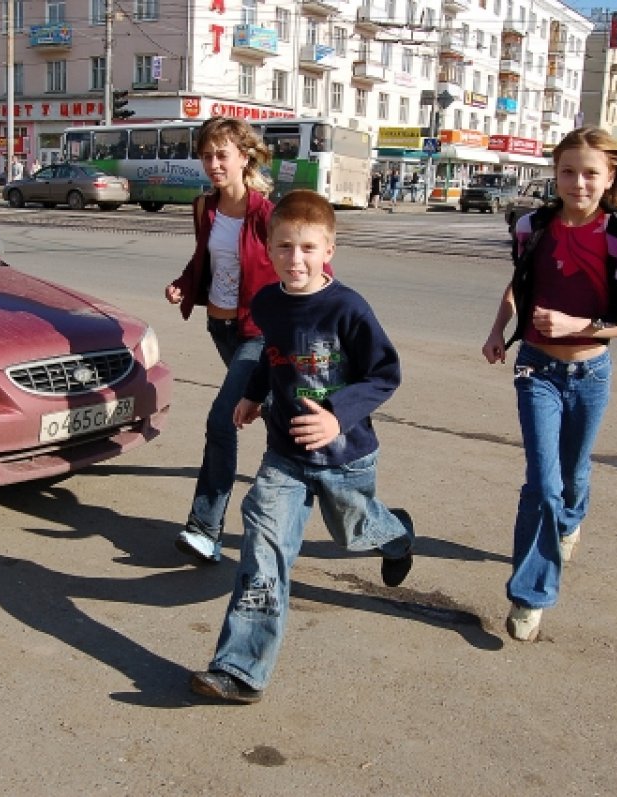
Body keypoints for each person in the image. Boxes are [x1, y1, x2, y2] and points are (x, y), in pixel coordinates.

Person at [189, 189, 415, 704]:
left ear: (329, 249)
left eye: (309, 248)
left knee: (353, 533)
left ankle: (395, 534)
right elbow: (274, 357)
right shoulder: (268, 303)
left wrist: (337, 419)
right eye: (286, 247)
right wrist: (252, 395)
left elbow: (385, 374)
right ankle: (240, 669)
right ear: (269, 248)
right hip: (285, 457)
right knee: (262, 549)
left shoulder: (348, 308)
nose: (297, 259)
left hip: (346, 456)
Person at [481, 126, 617, 642]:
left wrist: (577, 326)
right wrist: (497, 328)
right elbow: (520, 282)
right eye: (568, 172)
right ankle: (531, 596)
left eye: (590, 173)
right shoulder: (533, 227)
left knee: (573, 477)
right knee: (543, 485)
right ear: (554, 174)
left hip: (592, 371)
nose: (578, 183)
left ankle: (571, 521)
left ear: (610, 176)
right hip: (536, 367)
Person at [164, 116, 277, 565]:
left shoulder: (266, 214)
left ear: (244, 157)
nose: (213, 163)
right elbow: (203, 260)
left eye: (221, 155)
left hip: (258, 332)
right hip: (220, 327)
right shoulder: (204, 208)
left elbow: (302, 264)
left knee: (220, 421)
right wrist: (182, 284)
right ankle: (330, 491)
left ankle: (205, 529)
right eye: (206, 155)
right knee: (273, 414)